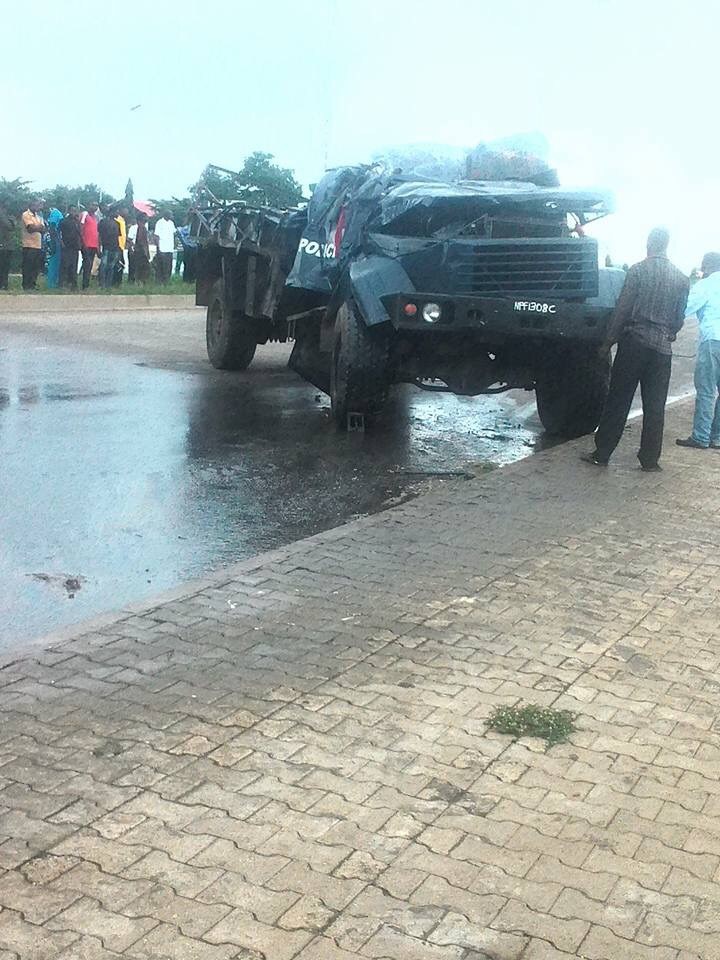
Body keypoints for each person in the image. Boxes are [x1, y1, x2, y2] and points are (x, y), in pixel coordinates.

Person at [582, 228, 688, 472]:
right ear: (667, 245)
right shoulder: (681, 278)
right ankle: (650, 460)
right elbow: (679, 318)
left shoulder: (638, 271)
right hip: (662, 350)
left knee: (619, 400)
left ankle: (602, 453)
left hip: (634, 344)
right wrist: (669, 332)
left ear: (649, 243)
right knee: (655, 405)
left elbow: (622, 310)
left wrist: (608, 342)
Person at [676, 252, 720, 450]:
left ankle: (701, 436)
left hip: (712, 340)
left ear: (708, 266)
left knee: (706, 389)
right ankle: (717, 437)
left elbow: (687, 307)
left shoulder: (707, 284)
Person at [21, 200, 46, 290]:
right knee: (28, 266)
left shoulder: (38, 217)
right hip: (28, 245)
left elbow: (43, 229)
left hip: (37, 245)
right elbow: (30, 228)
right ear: (31, 205)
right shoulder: (26, 214)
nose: (37, 207)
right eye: (35, 205)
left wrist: (38, 227)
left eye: (38, 205)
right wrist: (38, 227)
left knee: (35, 267)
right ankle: (26, 285)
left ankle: (32, 284)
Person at [59, 206, 82, 289]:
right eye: (72, 210)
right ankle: (62, 284)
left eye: (75, 211)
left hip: (75, 247)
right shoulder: (63, 221)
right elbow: (59, 233)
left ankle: (73, 284)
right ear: (69, 211)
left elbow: (79, 233)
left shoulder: (76, 221)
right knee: (65, 265)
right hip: (66, 246)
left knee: (74, 266)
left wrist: (80, 244)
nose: (73, 212)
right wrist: (61, 243)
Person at [98, 209, 120, 289]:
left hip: (115, 248)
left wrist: (118, 248)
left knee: (111, 267)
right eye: (116, 211)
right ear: (111, 212)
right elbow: (99, 235)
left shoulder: (117, 224)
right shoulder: (103, 222)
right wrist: (99, 247)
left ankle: (108, 284)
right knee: (103, 266)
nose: (117, 213)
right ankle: (102, 284)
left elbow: (117, 237)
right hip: (106, 247)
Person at [79, 202, 99, 289]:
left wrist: (98, 246)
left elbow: (97, 233)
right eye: (93, 205)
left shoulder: (96, 218)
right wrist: (82, 243)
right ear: (89, 205)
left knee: (90, 265)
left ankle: (87, 283)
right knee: (87, 263)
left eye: (96, 205)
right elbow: (81, 228)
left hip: (94, 245)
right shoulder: (85, 214)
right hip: (86, 244)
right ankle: (84, 285)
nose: (95, 207)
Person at [153, 209, 175, 283]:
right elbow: (156, 236)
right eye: (170, 215)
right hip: (162, 248)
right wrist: (158, 248)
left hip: (170, 248)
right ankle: (159, 282)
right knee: (161, 266)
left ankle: (166, 282)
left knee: (169, 266)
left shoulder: (171, 223)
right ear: (166, 215)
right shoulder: (159, 223)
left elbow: (174, 233)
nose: (172, 216)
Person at [128, 211, 150, 283]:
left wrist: (147, 252)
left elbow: (145, 242)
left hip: (142, 251)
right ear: (141, 219)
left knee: (142, 268)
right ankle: (132, 282)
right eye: (145, 217)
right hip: (135, 251)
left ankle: (140, 281)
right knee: (133, 268)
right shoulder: (134, 228)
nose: (147, 219)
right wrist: (131, 249)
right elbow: (129, 240)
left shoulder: (144, 228)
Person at [45, 208, 64, 289]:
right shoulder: (56, 212)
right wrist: (53, 242)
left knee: (58, 262)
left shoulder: (60, 213)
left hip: (57, 239)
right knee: (54, 262)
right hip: (55, 239)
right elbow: (52, 227)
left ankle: (54, 282)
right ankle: (51, 284)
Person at [0, 204, 16, 290]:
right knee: (2, 266)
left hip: (8, 244)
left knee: (5, 266)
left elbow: (14, 226)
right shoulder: (2, 214)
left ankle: (4, 284)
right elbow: (8, 225)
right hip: (2, 243)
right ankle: (2, 284)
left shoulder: (8, 214)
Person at [113, 206, 128, 285]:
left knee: (121, 264)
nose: (127, 212)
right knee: (118, 265)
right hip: (117, 246)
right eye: (126, 210)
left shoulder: (123, 220)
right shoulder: (117, 219)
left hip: (122, 247)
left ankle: (118, 282)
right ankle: (115, 282)